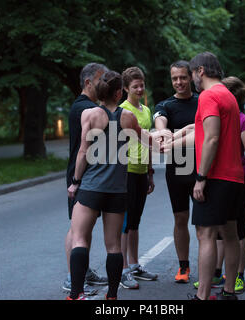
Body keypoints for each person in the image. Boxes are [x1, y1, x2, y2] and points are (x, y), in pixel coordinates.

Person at [66, 70, 160, 300]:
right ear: (119, 93)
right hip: (118, 189)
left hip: (91, 187)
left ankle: (76, 294)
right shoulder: (128, 118)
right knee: (114, 245)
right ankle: (112, 296)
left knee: (79, 238)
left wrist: (75, 182)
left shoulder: (89, 115)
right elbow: (147, 141)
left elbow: (83, 152)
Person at [163, 77, 245, 294]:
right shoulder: (220, 116)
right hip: (226, 178)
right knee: (224, 233)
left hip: (228, 178)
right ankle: (221, 279)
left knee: (228, 232)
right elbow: (194, 130)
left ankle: (229, 281)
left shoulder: (240, 120)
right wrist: (172, 140)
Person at [189, 52, 244, 300]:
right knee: (230, 234)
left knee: (206, 234)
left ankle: (202, 296)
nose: (193, 82)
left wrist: (201, 177)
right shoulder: (229, 95)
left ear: (200, 71)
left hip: (215, 176)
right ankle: (229, 291)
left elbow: (212, 137)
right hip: (235, 177)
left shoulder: (208, 96)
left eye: (192, 75)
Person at [63, 63, 109, 294]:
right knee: (76, 228)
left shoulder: (87, 106)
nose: (105, 84)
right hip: (80, 175)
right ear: (88, 82)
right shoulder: (85, 108)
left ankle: (83, 270)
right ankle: (73, 278)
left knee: (84, 228)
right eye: (101, 80)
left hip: (89, 176)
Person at [213, 76, 245, 294]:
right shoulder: (218, 119)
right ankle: (216, 274)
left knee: (238, 230)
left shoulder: (243, 121)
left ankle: (239, 276)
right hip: (219, 180)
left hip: (239, 182)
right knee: (218, 231)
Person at [153, 60, 198, 284]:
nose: (179, 82)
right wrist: (163, 132)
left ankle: (214, 269)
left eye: (182, 77)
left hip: (202, 170)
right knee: (180, 218)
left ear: (190, 77)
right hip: (177, 171)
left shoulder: (202, 101)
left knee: (204, 222)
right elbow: (159, 119)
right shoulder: (166, 105)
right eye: (174, 78)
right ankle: (183, 267)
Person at [119, 67, 158, 289]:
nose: (140, 89)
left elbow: (148, 143)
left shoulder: (146, 110)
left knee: (135, 222)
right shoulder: (123, 110)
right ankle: (123, 269)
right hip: (127, 172)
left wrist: (151, 172)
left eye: (142, 85)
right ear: (125, 88)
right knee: (124, 223)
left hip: (142, 171)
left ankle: (134, 265)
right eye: (135, 86)